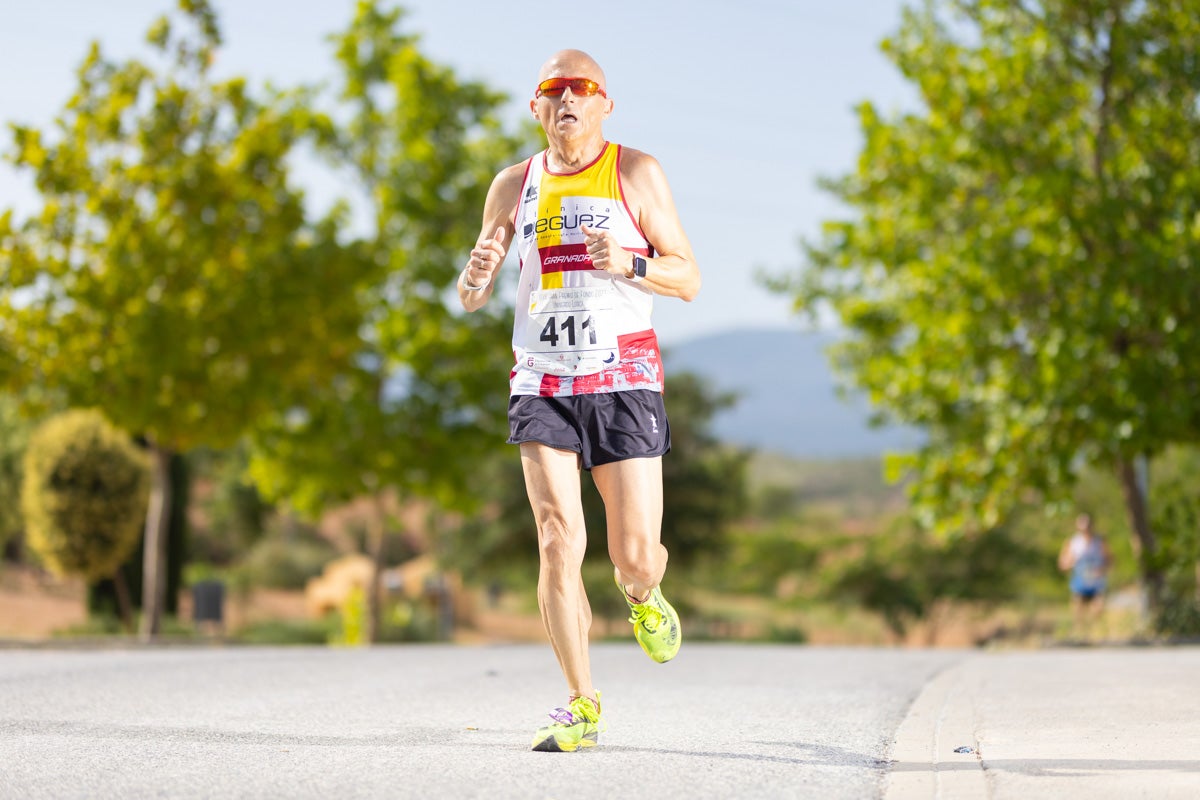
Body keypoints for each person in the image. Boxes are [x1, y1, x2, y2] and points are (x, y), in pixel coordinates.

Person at [458, 49, 701, 752]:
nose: (567, 99)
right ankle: (580, 702)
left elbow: (688, 278)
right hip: (542, 379)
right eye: (553, 90)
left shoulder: (635, 172)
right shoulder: (512, 184)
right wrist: (473, 281)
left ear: (604, 105)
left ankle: (644, 596)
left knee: (633, 556)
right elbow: (476, 292)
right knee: (558, 538)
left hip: (623, 380)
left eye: (582, 88)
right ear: (535, 108)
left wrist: (630, 263)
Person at [1057, 513, 1112, 641]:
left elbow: (1110, 559)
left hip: (1096, 581)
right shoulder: (1072, 542)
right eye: (1082, 526)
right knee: (1078, 609)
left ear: (1092, 526)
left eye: (1087, 525)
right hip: (1080, 581)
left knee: (1098, 608)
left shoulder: (1100, 542)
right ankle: (1079, 635)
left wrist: (1103, 569)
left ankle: (1095, 633)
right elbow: (1062, 563)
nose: (1085, 528)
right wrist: (1068, 563)